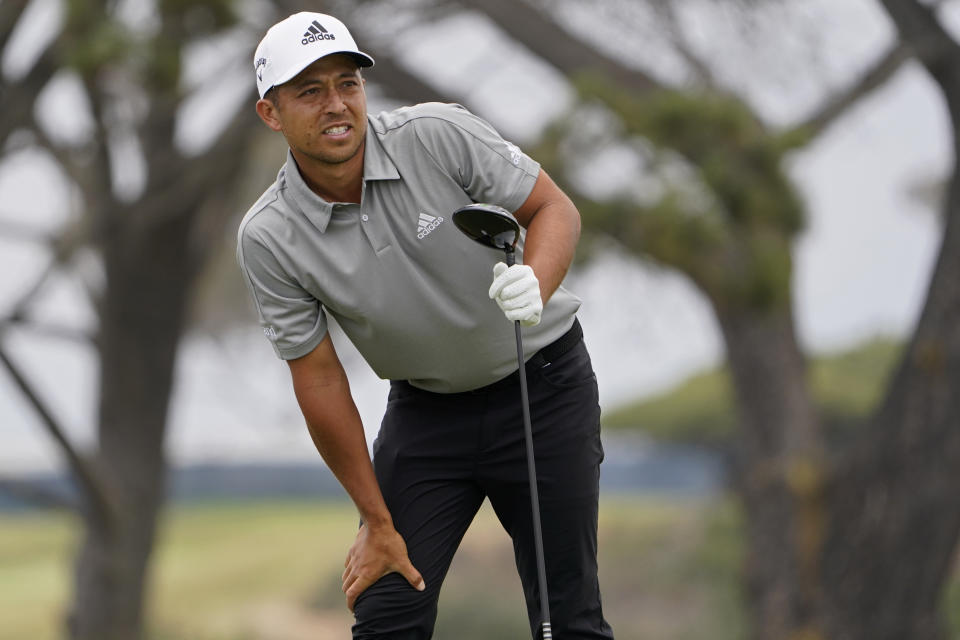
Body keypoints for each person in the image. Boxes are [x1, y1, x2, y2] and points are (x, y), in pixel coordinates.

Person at [237, 11, 614, 640]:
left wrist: (535, 284)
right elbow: (321, 382)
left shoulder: (436, 135)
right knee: (386, 612)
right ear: (271, 114)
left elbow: (552, 208)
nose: (336, 104)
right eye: (310, 91)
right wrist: (374, 520)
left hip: (540, 389)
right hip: (428, 415)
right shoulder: (270, 236)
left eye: (347, 84)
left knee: (566, 616)